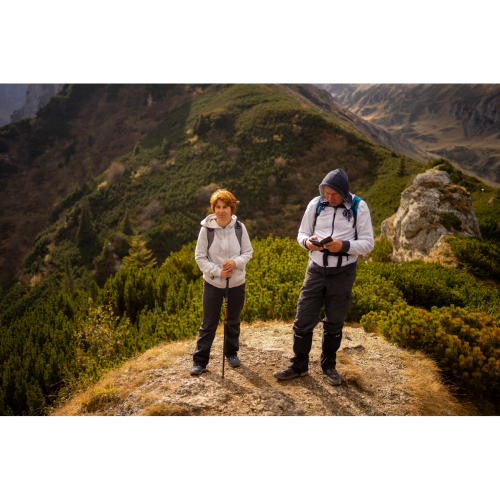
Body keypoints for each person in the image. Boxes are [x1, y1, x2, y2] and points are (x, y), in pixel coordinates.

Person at [274, 169, 374, 386]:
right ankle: (299, 365)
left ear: (344, 192)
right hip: (316, 270)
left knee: (334, 323)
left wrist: (343, 246)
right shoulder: (316, 204)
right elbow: (301, 234)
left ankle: (328, 366)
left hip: (344, 272)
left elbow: (368, 243)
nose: (329, 198)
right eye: (326, 193)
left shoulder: (359, 207)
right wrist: (307, 243)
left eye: (334, 194)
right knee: (303, 319)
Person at [191, 189, 254, 376]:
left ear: (232, 208)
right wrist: (218, 272)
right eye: (217, 207)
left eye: (225, 207)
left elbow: (248, 252)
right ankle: (200, 361)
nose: (221, 211)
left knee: (232, 320)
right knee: (208, 323)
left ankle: (231, 353)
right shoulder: (206, 230)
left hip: (236, 283)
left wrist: (235, 263)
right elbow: (200, 257)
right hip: (213, 284)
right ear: (213, 209)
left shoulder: (239, 228)